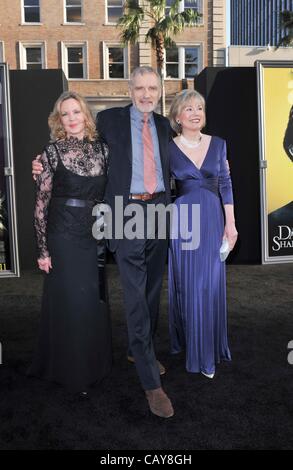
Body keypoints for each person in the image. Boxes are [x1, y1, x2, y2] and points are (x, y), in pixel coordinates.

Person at [33, 67, 174, 418]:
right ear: (129, 89)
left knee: (153, 288)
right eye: (139, 87)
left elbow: (185, 152)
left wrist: (216, 165)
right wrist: (41, 164)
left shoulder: (163, 125)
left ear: (160, 90)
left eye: (152, 88)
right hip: (125, 214)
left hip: (158, 211)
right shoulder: (110, 120)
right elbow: (73, 146)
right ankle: (149, 382)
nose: (145, 94)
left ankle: (140, 349)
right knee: (134, 293)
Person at [28, 91, 112, 393]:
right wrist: (43, 250)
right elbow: (41, 203)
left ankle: (94, 366)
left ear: (85, 115)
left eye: (77, 112)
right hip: (62, 235)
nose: (73, 118)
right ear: (59, 120)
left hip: (93, 236)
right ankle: (71, 371)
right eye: (66, 114)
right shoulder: (52, 152)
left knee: (92, 302)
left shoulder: (103, 150)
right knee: (71, 303)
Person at [168, 89, 238, 378]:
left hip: (211, 218)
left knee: (207, 285)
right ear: (177, 117)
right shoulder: (168, 148)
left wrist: (230, 224)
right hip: (183, 221)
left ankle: (206, 351)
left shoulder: (219, 144)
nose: (196, 113)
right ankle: (191, 344)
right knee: (189, 285)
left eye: (200, 108)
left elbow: (226, 185)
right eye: (189, 109)